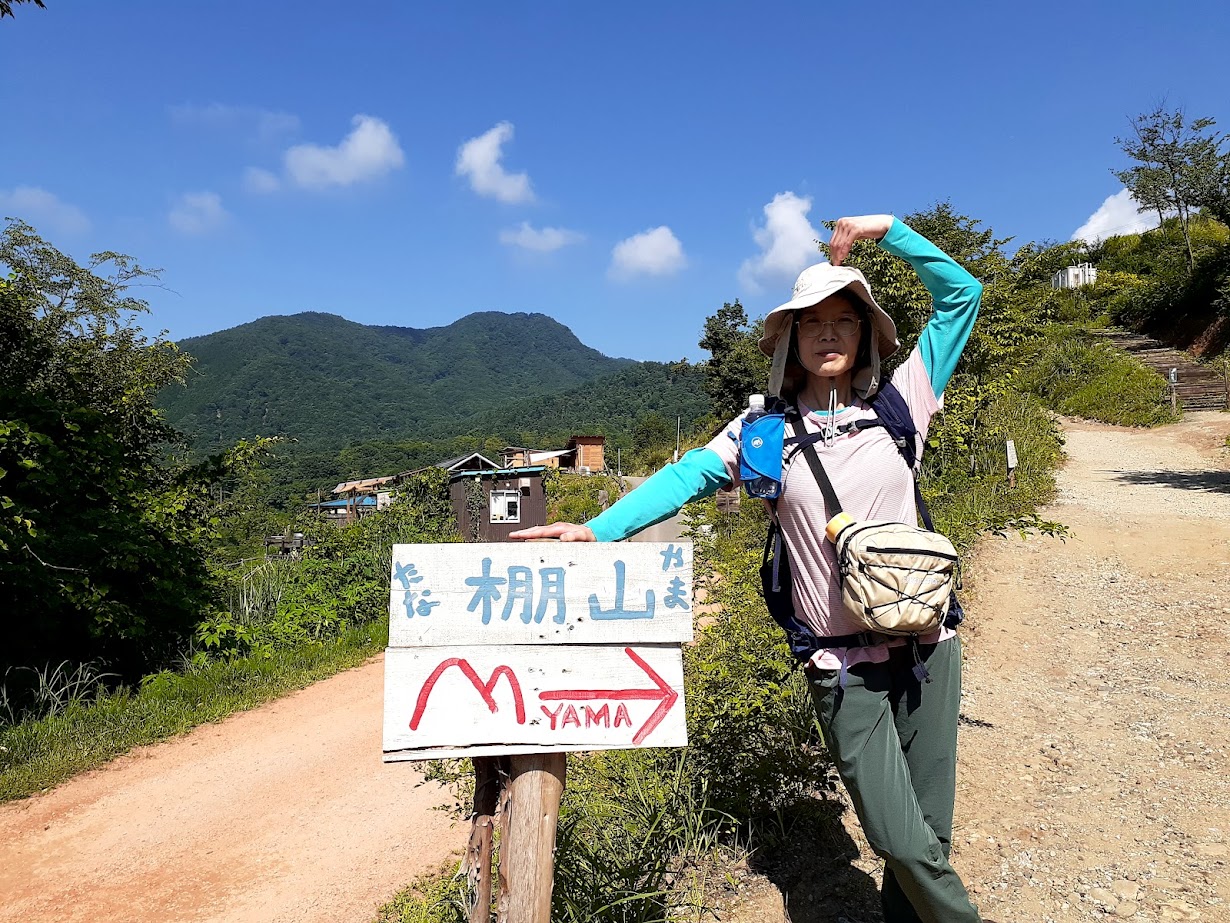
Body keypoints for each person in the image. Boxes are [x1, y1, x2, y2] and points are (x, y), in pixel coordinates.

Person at [512, 214, 985, 923]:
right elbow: (685, 478)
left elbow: (962, 295)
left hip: (929, 645)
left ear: (865, 335)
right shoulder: (764, 432)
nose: (829, 332)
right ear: (790, 340)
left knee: (929, 838)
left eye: (844, 320)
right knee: (896, 837)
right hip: (840, 664)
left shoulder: (901, 401)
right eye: (811, 321)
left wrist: (889, 231)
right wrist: (598, 531)